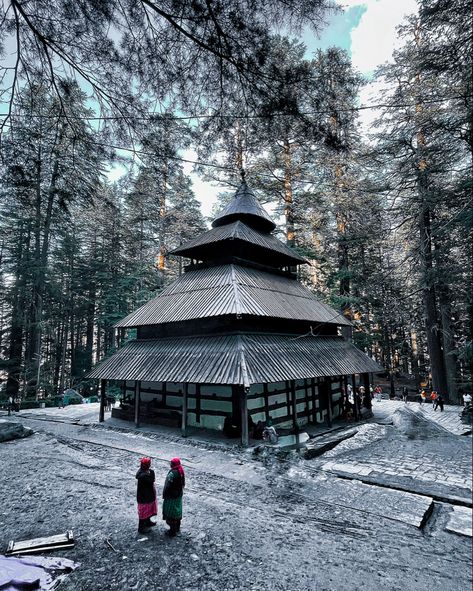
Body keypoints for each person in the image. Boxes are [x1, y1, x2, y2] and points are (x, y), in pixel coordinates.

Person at [162, 457, 185, 536]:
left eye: (171, 463)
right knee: (177, 511)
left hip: (171, 496)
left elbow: (167, 486)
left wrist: (164, 494)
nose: (170, 464)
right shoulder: (181, 471)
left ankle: (172, 531)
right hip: (178, 495)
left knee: (171, 513)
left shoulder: (172, 473)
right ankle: (177, 528)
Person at [136, 457, 157, 533]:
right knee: (144, 512)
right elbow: (152, 479)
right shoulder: (144, 475)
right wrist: (151, 473)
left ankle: (148, 522)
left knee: (148, 511)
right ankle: (141, 528)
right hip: (145, 497)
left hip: (145, 496)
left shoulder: (141, 472)